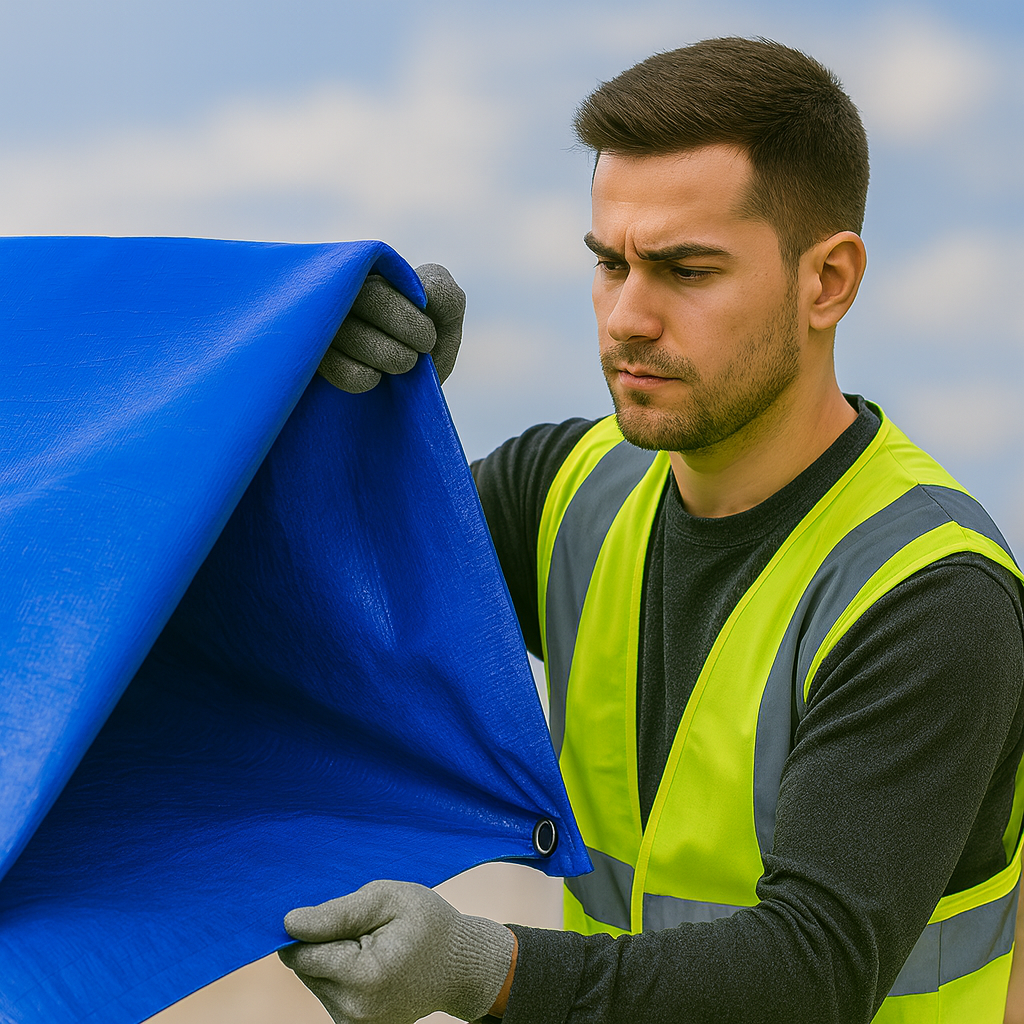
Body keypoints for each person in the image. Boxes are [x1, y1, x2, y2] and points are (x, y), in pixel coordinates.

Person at [277, 37, 1024, 1024]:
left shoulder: (926, 593)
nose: (628, 315)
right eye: (608, 262)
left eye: (684, 269)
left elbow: (814, 969)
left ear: (827, 281)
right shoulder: (566, 488)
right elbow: (315, 616)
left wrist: (486, 972)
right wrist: (348, 416)